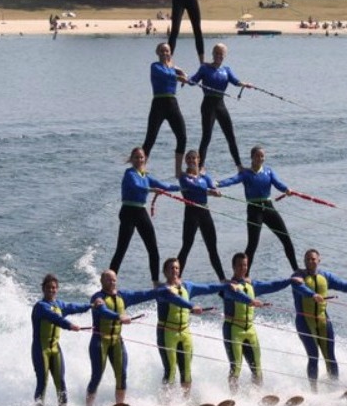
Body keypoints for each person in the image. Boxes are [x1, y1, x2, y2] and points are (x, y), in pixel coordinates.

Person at [156, 257, 247, 397]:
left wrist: (226, 286)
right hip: (167, 334)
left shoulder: (187, 286)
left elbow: (209, 288)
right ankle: (165, 401)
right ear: (165, 271)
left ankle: (185, 401)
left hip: (184, 333)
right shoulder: (162, 290)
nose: (174, 271)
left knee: (186, 371)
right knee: (171, 370)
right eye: (171, 268)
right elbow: (175, 299)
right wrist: (191, 306)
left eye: (176, 268)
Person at [292, 249, 347, 392]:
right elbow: (300, 288)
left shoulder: (325, 276)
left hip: (322, 320)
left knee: (330, 357)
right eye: (307, 259)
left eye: (313, 259)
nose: (310, 261)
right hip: (304, 322)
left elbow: (345, 286)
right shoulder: (298, 276)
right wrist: (313, 294)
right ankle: (313, 391)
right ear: (304, 261)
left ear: (319, 260)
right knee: (313, 356)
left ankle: (335, 389)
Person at [85, 269, 162, 406]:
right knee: (96, 376)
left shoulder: (123, 296)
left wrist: (162, 291)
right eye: (109, 280)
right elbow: (103, 311)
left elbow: (144, 295)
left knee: (122, 375)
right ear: (102, 281)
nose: (112, 282)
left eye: (114, 279)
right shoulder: (97, 298)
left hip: (116, 341)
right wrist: (119, 317)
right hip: (99, 342)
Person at [222, 252, 298, 393]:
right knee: (236, 367)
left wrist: (290, 281)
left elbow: (272, 285)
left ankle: (258, 395)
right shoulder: (228, 286)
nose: (243, 268)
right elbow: (237, 295)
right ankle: (233, 397)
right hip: (233, 329)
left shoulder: (252, 285)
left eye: (245, 265)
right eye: (240, 265)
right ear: (233, 266)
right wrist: (251, 301)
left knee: (257, 367)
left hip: (250, 330)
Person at [216, 145, 298, 273]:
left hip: (269, 209)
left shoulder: (269, 171)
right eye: (257, 156)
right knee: (252, 245)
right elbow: (232, 180)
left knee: (286, 239)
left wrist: (286, 189)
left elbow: (278, 184)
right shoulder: (246, 174)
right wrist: (217, 184)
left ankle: (296, 270)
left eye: (262, 156)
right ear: (252, 157)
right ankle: (244, 275)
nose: (260, 158)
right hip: (254, 211)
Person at [108, 147, 180, 286]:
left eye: (141, 157)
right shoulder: (129, 174)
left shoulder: (146, 176)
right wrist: (152, 189)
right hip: (128, 211)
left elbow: (164, 185)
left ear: (145, 159)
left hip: (141, 212)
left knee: (153, 248)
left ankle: (155, 282)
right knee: (121, 249)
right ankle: (109, 281)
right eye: (136, 157)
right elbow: (136, 187)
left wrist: (183, 187)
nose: (139, 160)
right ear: (131, 159)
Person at [31, 273, 91, 406]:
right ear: (43, 289)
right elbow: (55, 318)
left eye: (54, 288)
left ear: (57, 289)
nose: (51, 290)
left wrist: (90, 306)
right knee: (42, 382)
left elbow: (73, 307)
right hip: (41, 349)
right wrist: (70, 326)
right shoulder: (40, 307)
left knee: (61, 381)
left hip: (55, 349)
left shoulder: (59, 305)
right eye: (48, 287)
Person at [189, 43, 252, 170]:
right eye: (216, 53)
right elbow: (193, 81)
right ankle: (200, 167)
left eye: (221, 54)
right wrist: (185, 78)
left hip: (220, 104)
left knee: (230, 136)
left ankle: (239, 165)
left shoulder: (226, 70)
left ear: (224, 56)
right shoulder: (204, 68)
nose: (218, 56)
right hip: (208, 104)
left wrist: (244, 84)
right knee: (206, 136)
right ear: (212, 54)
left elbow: (235, 81)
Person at [176, 149, 225, 281]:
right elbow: (195, 188)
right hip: (191, 212)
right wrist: (210, 192)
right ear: (186, 161)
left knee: (212, 247)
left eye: (194, 158)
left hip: (205, 212)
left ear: (198, 160)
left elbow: (212, 186)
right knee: (186, 246)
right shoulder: (183, 177)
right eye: (189, 158)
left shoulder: (204, 177)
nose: (192, 161)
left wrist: (216, 191)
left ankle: (222, 279)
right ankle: (176, 278)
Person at [142, 43, 188, 178]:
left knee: (182, 137)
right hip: (158, 103)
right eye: (161, 51)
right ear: (157, 52)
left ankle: (178, 171)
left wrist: (184, 74)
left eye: (167, 51)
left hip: (172, 103)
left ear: (170, 53)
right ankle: (141, 168)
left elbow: (182, 73)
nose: (164, 53)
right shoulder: (155, 66)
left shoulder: (174, 68)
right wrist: (179, 75)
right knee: (151, 137)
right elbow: (166, 74)